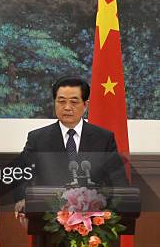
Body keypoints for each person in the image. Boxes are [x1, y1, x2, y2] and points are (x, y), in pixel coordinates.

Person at [13, 76, 127, 224]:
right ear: (54, 103)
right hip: (49, 221)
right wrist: (22, 198)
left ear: (85, 105)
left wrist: (113, 209)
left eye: (73, 102)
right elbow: (21, 173)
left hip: (95, 224)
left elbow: (118, 180)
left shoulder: (103, 138)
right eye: (61, 101)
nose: (67, 107)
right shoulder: (38, 138)